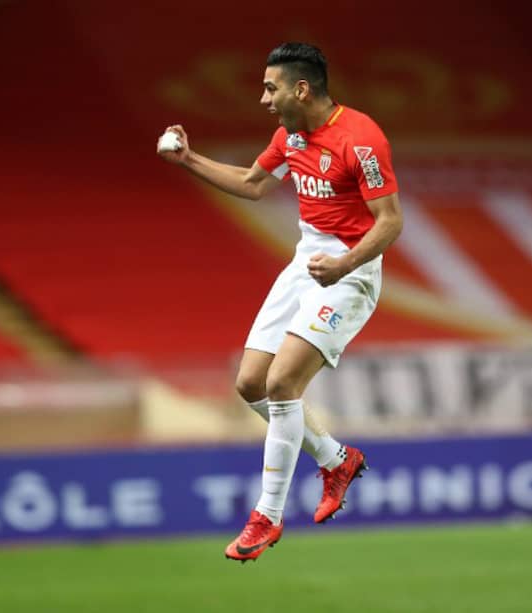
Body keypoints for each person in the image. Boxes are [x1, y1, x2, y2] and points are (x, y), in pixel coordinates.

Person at [157, 42, 402, 562]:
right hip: (305, 265)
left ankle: (266, 516)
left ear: (301, 88)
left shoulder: (361, 140)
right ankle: (337, 460)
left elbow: (390, 221)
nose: (263, 98)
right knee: (249, 384)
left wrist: (345, 265)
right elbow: (252, 184)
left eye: (270, 87)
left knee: (282, 382)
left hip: (348, 273)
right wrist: (187, 159)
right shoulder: (289, 136)